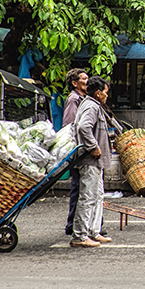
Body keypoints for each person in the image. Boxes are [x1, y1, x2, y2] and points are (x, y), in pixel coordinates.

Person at [71, 75, 113, 248]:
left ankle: (92, 232)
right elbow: (83, 127)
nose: (107, 95)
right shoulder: (91, 106)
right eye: (105, 92)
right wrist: (94, 147)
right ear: (97, 93)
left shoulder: (93, 104)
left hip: (96, 163)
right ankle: (80, 236)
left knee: (97, 197)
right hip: (89, 160)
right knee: (88, 197)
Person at [61, 68, 88, 236]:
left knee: (80, 187)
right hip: (77, 150)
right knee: (77, 187)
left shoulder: (83, 99)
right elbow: (71, 125)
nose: (87, 80)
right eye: (84, 78)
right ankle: (71, 224)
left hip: (82, 149)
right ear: (75, 83)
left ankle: (74, 223)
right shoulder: (74, 99)